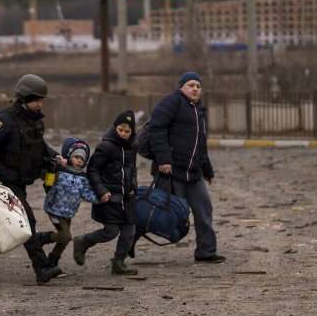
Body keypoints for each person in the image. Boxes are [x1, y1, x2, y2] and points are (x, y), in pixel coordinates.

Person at [0, 74, 65, 284]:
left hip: (19, 181)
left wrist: (55, 156)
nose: (40, 104)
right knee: (26, 221)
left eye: (41, 100)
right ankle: (42, 268)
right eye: (37, 100)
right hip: (2, 183)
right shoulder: (4, 120)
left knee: (0, 224)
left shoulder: (34, 122)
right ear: (25, 98)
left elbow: (40, 146)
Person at [148, 72, 224, 263]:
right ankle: (128, 242)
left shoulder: (199, 110)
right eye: (191, 85)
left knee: (204, 210)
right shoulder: (171, 103)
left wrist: (208, 170)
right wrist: (164, 160)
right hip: (172, 172)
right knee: (164, 213)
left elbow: (201, 144)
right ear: (181, 87)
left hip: (194, 174)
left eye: (198, 86)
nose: (195, 89)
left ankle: (206, 252)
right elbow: (156, 130)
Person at [73, 111, 139, 275]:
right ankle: (83, 241)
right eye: (120, 129)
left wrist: (133, 186)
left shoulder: (132, 147)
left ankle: (119, 262)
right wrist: (101, 191)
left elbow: (132, 170)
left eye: (127, 131)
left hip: (127, 198)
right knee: (110, 232)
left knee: (129, 232)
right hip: (110, 198)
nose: (123, 133)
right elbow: (93, 169)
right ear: (115, 128)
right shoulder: (106, 146)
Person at [40, 138, 96, 274]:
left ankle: (51, 262)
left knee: (64, 240)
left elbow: (87, 194)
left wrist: (103, 198)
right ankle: (40, 238)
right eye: (76, 157)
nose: (79, 161)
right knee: (66, 236)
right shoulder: (59, 170)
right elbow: (46, 179)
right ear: (69, 156)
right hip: (54, 210)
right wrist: (52, 168)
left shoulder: (83, 177)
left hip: (68, 213)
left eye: (82, 159)